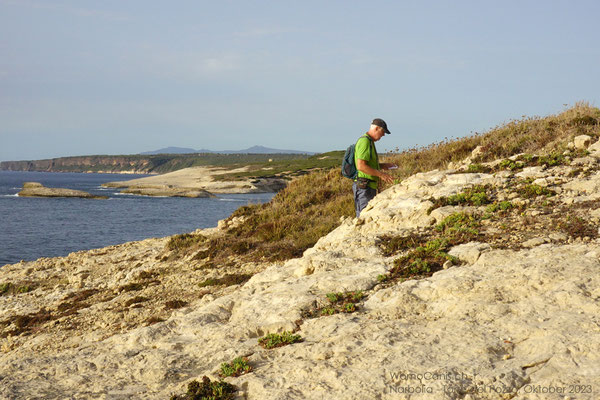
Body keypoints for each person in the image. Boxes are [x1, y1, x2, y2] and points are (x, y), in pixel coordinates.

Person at [353, 118, 396, 217]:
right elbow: (361, 166)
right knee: (363, 217)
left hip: (368, 187)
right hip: (364, 187)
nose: (383, 135)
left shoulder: (369, 141)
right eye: (383, 131)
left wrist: (382, 166)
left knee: (367, 216)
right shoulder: (365, 142)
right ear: (376, 128)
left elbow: (367, 164)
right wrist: (381, 175)